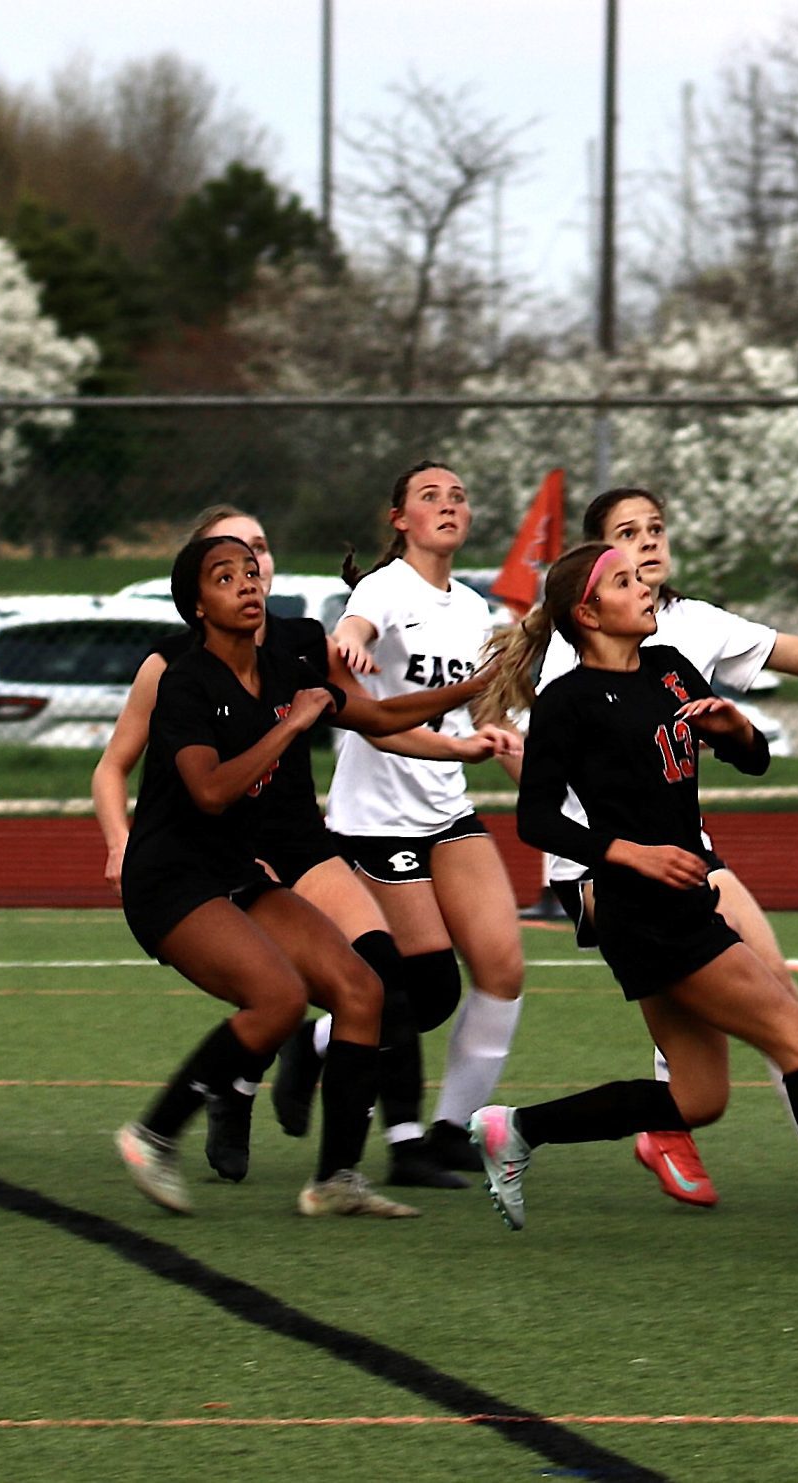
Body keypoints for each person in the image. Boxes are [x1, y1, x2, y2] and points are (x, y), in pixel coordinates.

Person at [472, 541, 798, 1258]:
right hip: (642, 911)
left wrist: (738, 730)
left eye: (645, 574)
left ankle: (518, 1127)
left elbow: (750, 758)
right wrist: (628, 852)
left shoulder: (667, 669)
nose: (646, 587)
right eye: (626, 581)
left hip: (681, 901)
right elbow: (536, 820)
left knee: (698, 1099)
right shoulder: (567, 702)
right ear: (587, 611)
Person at [94, 504, 486, 1188]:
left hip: (236, 868)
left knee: (361, 989)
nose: (247, 582)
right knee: (276, 999)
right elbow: (211, 791)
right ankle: (155, 1133)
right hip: (169, 878)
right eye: (225, 575)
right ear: (196, 603)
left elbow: (382, 714)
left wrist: (477, 687)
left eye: (252, 568)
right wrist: (294, 722)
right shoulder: (185, 681)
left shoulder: (286, 662)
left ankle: (337, 1181)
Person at [324, 462, 528, 1174]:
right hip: (377, 818)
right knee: (424, 984)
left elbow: (488, 716)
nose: (448, 505)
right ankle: (321, 1044)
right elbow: (355, 629)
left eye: (459, 497)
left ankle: (451, 1127)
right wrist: (348, 641)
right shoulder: (385, 588)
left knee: (502, 965)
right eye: (430, 496)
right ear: (400, 520)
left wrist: (551, 790)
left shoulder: (474, 611)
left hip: (445, 804)